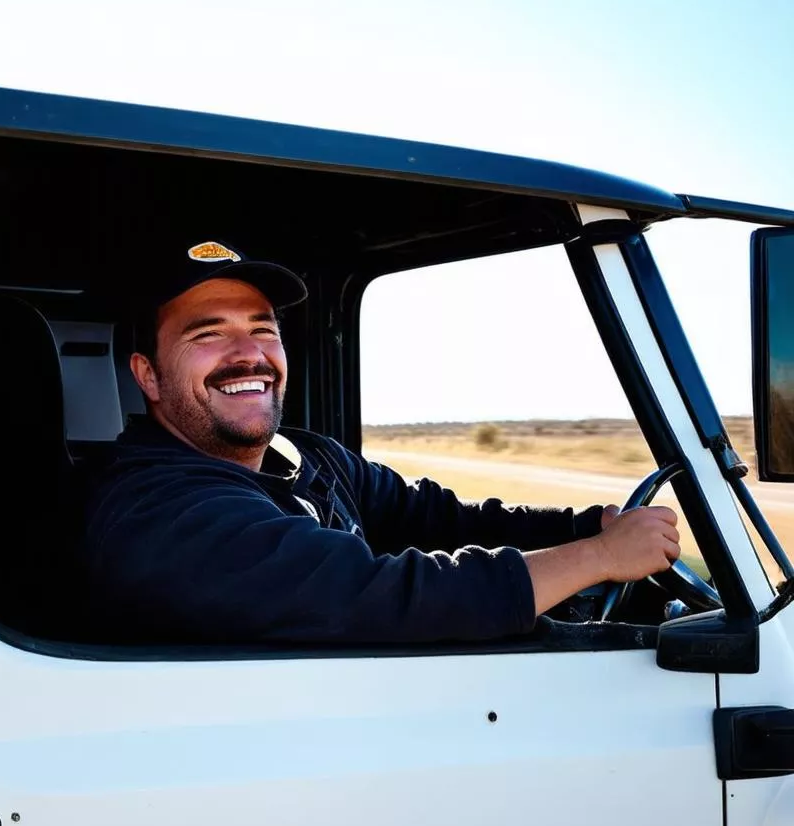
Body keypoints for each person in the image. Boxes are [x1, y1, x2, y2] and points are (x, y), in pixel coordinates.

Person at [81, 239, 681, 643]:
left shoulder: (304, 455)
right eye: (208, 335)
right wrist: (600, 560)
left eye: (263, 329)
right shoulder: (157, 510)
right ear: (148, 376)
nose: (250, 355)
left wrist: (584, 526)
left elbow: (437, 518)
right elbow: (380, 596)